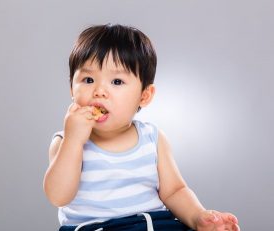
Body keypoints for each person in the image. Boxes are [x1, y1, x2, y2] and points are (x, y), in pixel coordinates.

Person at [43, 24, 240, 231]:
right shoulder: (65, 141)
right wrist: (74, 141)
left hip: (153, 223)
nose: (99, 91)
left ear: (144, 96)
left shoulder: (152, 138)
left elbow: (174, 191)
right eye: (88, 79)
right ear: (71, 89)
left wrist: (198, 217)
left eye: (117, 81)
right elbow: (58, 197)